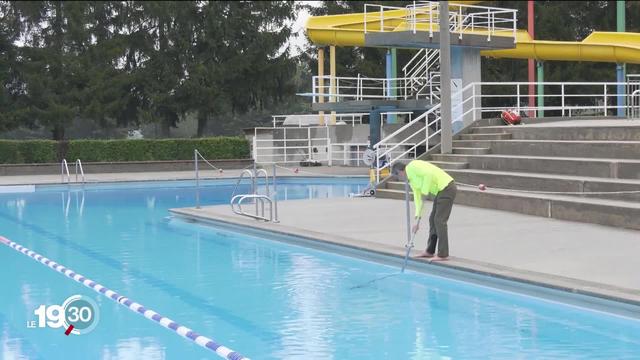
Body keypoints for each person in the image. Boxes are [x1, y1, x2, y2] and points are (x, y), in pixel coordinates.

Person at [392, 160, 457, 261]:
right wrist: (417, 219)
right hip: (440, 191)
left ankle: (443, 254)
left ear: (400, 172)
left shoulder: (413, 166)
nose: (399, 179)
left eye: (398, 176)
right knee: (432, 220)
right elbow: (418, 199)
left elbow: (429, 174)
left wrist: (424, 191)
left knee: (439, 220)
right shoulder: (411, 180)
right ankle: (430, 251)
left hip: (447, 187)